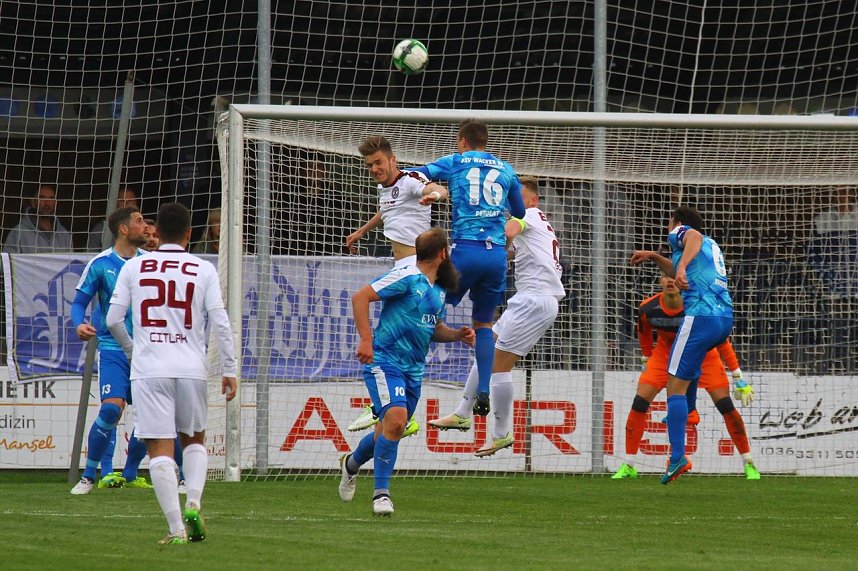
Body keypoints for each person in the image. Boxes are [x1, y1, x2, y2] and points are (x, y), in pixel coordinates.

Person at [106, 202, 237, 544]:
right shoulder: (202, 268)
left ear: (156, 232)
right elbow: (220, 321)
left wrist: (135, 351)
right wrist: (229, 368)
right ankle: (193, 501)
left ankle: (176, 527)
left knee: (159, 448)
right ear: (190, 234)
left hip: (150, 369)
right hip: (191, 368)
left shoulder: (135, 268)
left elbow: (112, 320)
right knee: (193, 439)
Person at [339, 228, 474, 516]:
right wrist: (365, 339)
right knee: (397, 420)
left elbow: (433, 330)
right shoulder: (406, 277)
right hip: (385, 361)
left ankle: (351, 464)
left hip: (413, 371)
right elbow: (360, 297)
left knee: (388, 431)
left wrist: (457, 335)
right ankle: (381, 496)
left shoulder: (437, 291)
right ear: (442, 253)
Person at [429, 177, 564, 457]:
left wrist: (482, 237)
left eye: (517, 197)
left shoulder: (528, 215)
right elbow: (511, 250)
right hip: (534, 300)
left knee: (498, 367)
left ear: (533, 200)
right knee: (486, 347)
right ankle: (463, 412)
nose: (510, 204)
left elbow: (509, 228)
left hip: (534, 300)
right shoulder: (539, 225)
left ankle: (501, 433)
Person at [412, 119, 526, 417]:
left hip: (465, 250)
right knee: (485, 325)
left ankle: (407, 375)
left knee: (429, 304)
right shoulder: (505, 168)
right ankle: (483, 391)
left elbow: (419, 173)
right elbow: (521, 211)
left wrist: (432, 188)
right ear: (484, 142)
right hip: (496, 256)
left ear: (462, 141)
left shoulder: (457, 161)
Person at [345, 135, 449, 435]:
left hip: (415, 268)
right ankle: (394, 408)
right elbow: (387, 210)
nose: (374, 169)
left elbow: (434, 187)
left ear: (392, 160)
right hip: (408, 270)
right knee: (404, 335)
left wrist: (435, 196)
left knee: (384, 335)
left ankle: (382, 405)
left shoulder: (411, 180)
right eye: (369, 165)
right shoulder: (386, 189)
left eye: (378, 162)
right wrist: (361, 231)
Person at [611, 274, 760, 480]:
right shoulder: (647, 308)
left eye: (674, 277)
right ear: (660, 281)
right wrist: (646, 358)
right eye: (666, 277)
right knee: (640, 402)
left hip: (704, 354)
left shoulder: (697, 307)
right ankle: (629, 465)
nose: (670, 281)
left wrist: (737, 376)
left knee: (725, 405)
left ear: (683, 283)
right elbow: (643, 332)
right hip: (665, 354)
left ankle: (748, 462)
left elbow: (722, 340)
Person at [630, 205, 734, 484]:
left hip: (700, 316)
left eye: (669, 221)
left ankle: (677, 456)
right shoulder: (711, 247)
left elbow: (692, 239)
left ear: (676, 222)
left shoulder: (685, 234)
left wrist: (684, 268)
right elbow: (679, 263)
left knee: (673, 384)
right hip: (723, 319)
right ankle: (687, 411)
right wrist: (654, 257)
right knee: (688, 369)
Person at [70, 206, 153, 494]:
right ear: (123, 228)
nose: (145, 226)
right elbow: (79, 302)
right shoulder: (100, 263)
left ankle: (129, 474)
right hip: (113, 347)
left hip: (146, 351)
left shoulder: (150, 263)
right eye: (139, 221)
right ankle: (90, 476)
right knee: (110, 409)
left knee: (147, 416)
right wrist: (79, 325)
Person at [808, 186, 858, 373]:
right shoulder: (823, 220)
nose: (843, 196)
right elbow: (813, 254)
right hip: (834, 286)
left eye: (846, 192)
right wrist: (826, 276)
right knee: (836, 325)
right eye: (839, 192)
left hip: (855, 284)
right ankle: (835, 363)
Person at [4, 183, 73, 253]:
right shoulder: (18, 233)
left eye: (51, 198)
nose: (47, 203)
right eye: (42, 198)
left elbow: (71, 262)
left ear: (56, 203)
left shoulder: (65, 236)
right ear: (33, 202)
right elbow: (7, 262)